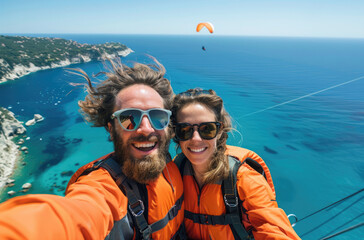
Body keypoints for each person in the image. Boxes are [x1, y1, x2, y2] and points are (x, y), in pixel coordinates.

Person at [0, 58, 185, 239]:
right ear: (111, 129)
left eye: (158, 117)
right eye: (129, 118)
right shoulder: (104, 188)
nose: (146, 128)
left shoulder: (181, 165)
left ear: (168, 126)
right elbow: (74, 217)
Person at [170, 88, 301, 240]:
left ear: (220, 131)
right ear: (175, 134)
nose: (196, 139)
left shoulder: (244, 179)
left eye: (207, 129)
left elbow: (271, 228)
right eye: (184, 129)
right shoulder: (176, 170)